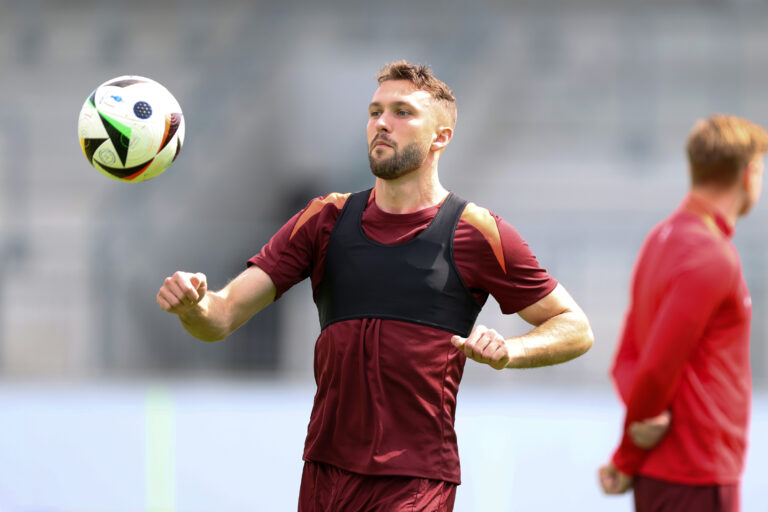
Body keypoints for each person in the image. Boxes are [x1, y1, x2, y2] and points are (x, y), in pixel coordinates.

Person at [157, 60, 594, 512]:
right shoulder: (323, 220)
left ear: (440, 137)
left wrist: (511, 350)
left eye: (402, 112)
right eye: (374, 111)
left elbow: (576, 328)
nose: (381, 123)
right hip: (325, 477)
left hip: (416, 481)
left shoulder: (476, 231)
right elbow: (222, 316)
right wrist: (193, 304)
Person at [599, 114, 768, 511]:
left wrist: (634, 447)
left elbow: (626, 359)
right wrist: (626, 455)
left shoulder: (660, 238)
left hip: (665, 475)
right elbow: (656, 367)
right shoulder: (712, 256)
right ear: (749, 174)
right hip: (698, 471)